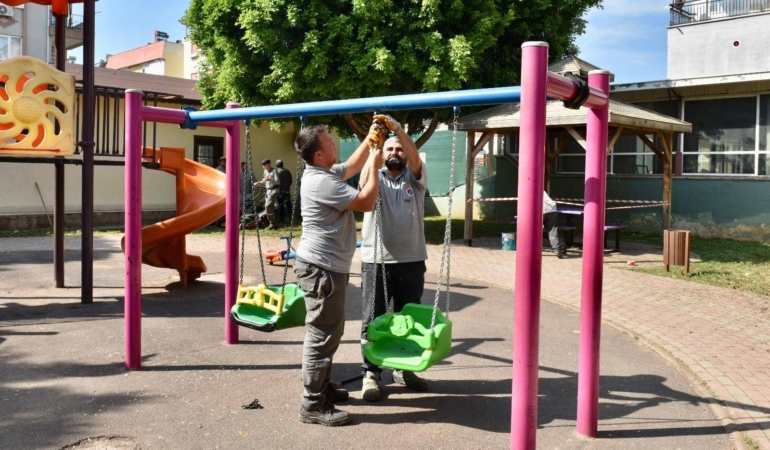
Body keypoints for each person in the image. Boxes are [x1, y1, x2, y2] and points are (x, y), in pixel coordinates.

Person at [293, 121, 385, 427]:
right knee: (322, 335)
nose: (334, 143)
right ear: (319, 154)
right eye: (329, 142)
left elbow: (352, 165)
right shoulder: (322, 182)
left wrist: (371, 139)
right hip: (322, 268)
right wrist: (375, 165)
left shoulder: (325, 172)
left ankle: (322, 387)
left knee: (331, 332)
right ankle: (312, 404)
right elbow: (366, 201)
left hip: (327, 266)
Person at [358, 115, 429, 402]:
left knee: (408, 319)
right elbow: (364, 180)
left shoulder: (416, 178)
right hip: (376, 260)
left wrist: (397, 130)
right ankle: (370, 373)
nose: (395, 152)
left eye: (399, 149)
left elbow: (415, 157)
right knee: (373, 319)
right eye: (390, 149)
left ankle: (404, 369)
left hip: (411, 260)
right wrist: (375, 143)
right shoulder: (374, 177)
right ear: (382, 153)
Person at [253, 159, 280, 229]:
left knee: (268, 206)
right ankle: (273, 222)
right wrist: (258, 183)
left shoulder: (274, 171)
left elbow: (277, 182)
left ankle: (272, 223)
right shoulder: (265, 171)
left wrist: (269, 179)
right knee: (270, 206)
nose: (263, 166)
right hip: (268, 191)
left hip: (273, 190)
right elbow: (264, 181)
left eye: (264, 165)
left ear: (268, 164)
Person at [543, 190, 567, 259]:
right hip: (552, 208)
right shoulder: (540, 188)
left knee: (535, 230)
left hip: (541, 208)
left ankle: (533, 249)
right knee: (552, 230)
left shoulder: (528, 188)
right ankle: (557, 249)